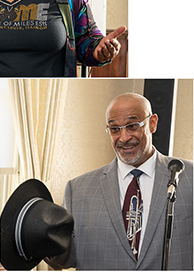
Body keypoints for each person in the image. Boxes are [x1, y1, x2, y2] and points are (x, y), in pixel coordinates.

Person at [45, 93, 193, 270]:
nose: (123, 138)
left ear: (152, 123)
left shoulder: (189, 177)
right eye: (115, 129)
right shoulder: (77, 190)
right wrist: (39, 238)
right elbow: (65, 258)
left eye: (132, 126)